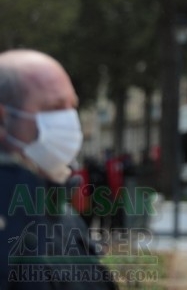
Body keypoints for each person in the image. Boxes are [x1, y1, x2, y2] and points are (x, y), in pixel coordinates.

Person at [0, 49, 117, 289]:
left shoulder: (63, 214)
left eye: (72, 106)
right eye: (54, 107)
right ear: (3, 119)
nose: (67, 120)